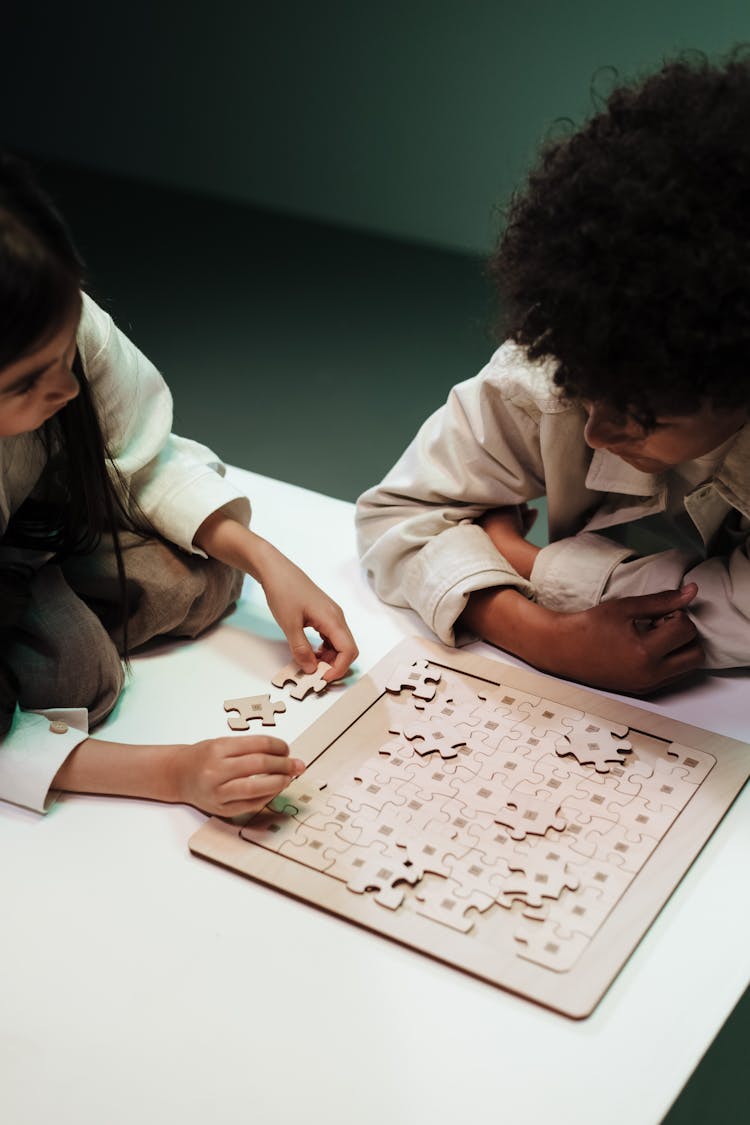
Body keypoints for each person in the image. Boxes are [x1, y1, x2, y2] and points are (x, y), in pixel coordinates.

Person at [356, 51, 750, 697]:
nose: (596, 431)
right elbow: (398, 513)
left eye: (647, 418)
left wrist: (525, 559)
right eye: (587, 393)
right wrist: (538, 634)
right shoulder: (558, 364)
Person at [0, 151, 358, 816]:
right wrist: (175, 772)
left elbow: (146, 455)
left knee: (207, 577)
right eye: (25, 383)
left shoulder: (59, 315)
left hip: (35, 517)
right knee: (79, 678)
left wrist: (269, 560)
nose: (69, 388)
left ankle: (46, 575)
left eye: (65, 354)